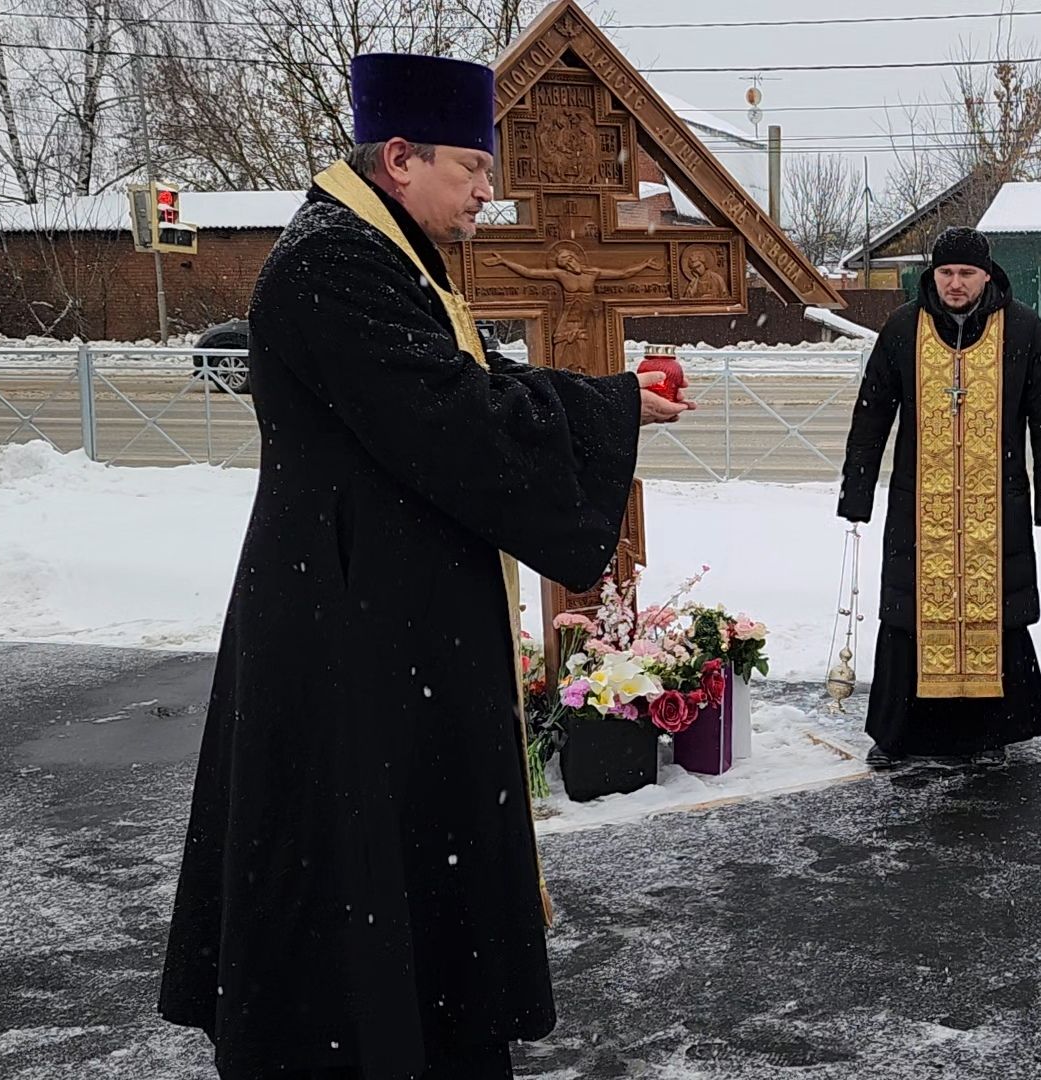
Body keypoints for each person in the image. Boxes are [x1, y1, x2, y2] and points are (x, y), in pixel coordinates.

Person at [158, 53, 689, 1080]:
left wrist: (612, 397)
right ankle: (364, 1043)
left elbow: (461, 378)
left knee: (395, 850)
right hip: (348, 623)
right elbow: (453, 415)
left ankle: (415, 1030)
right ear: (400, 157)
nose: (489, 193)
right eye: (473, 168)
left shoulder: (383, 252)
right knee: (354, 851)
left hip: (379, 608)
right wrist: (610, 406)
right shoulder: (332, 262)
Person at [839, 227, 1041, 770]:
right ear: (933, 275)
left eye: (967, 273)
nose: (956, 284)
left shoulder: (1023, 328)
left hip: (997, 503)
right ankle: (898, 732)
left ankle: (990, 732)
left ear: (986, 275)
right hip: (919, 503)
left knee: (996, 612)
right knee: (910, 613)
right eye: (946, 273)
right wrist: (857, 492)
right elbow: (871, 414)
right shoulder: (903, 327)